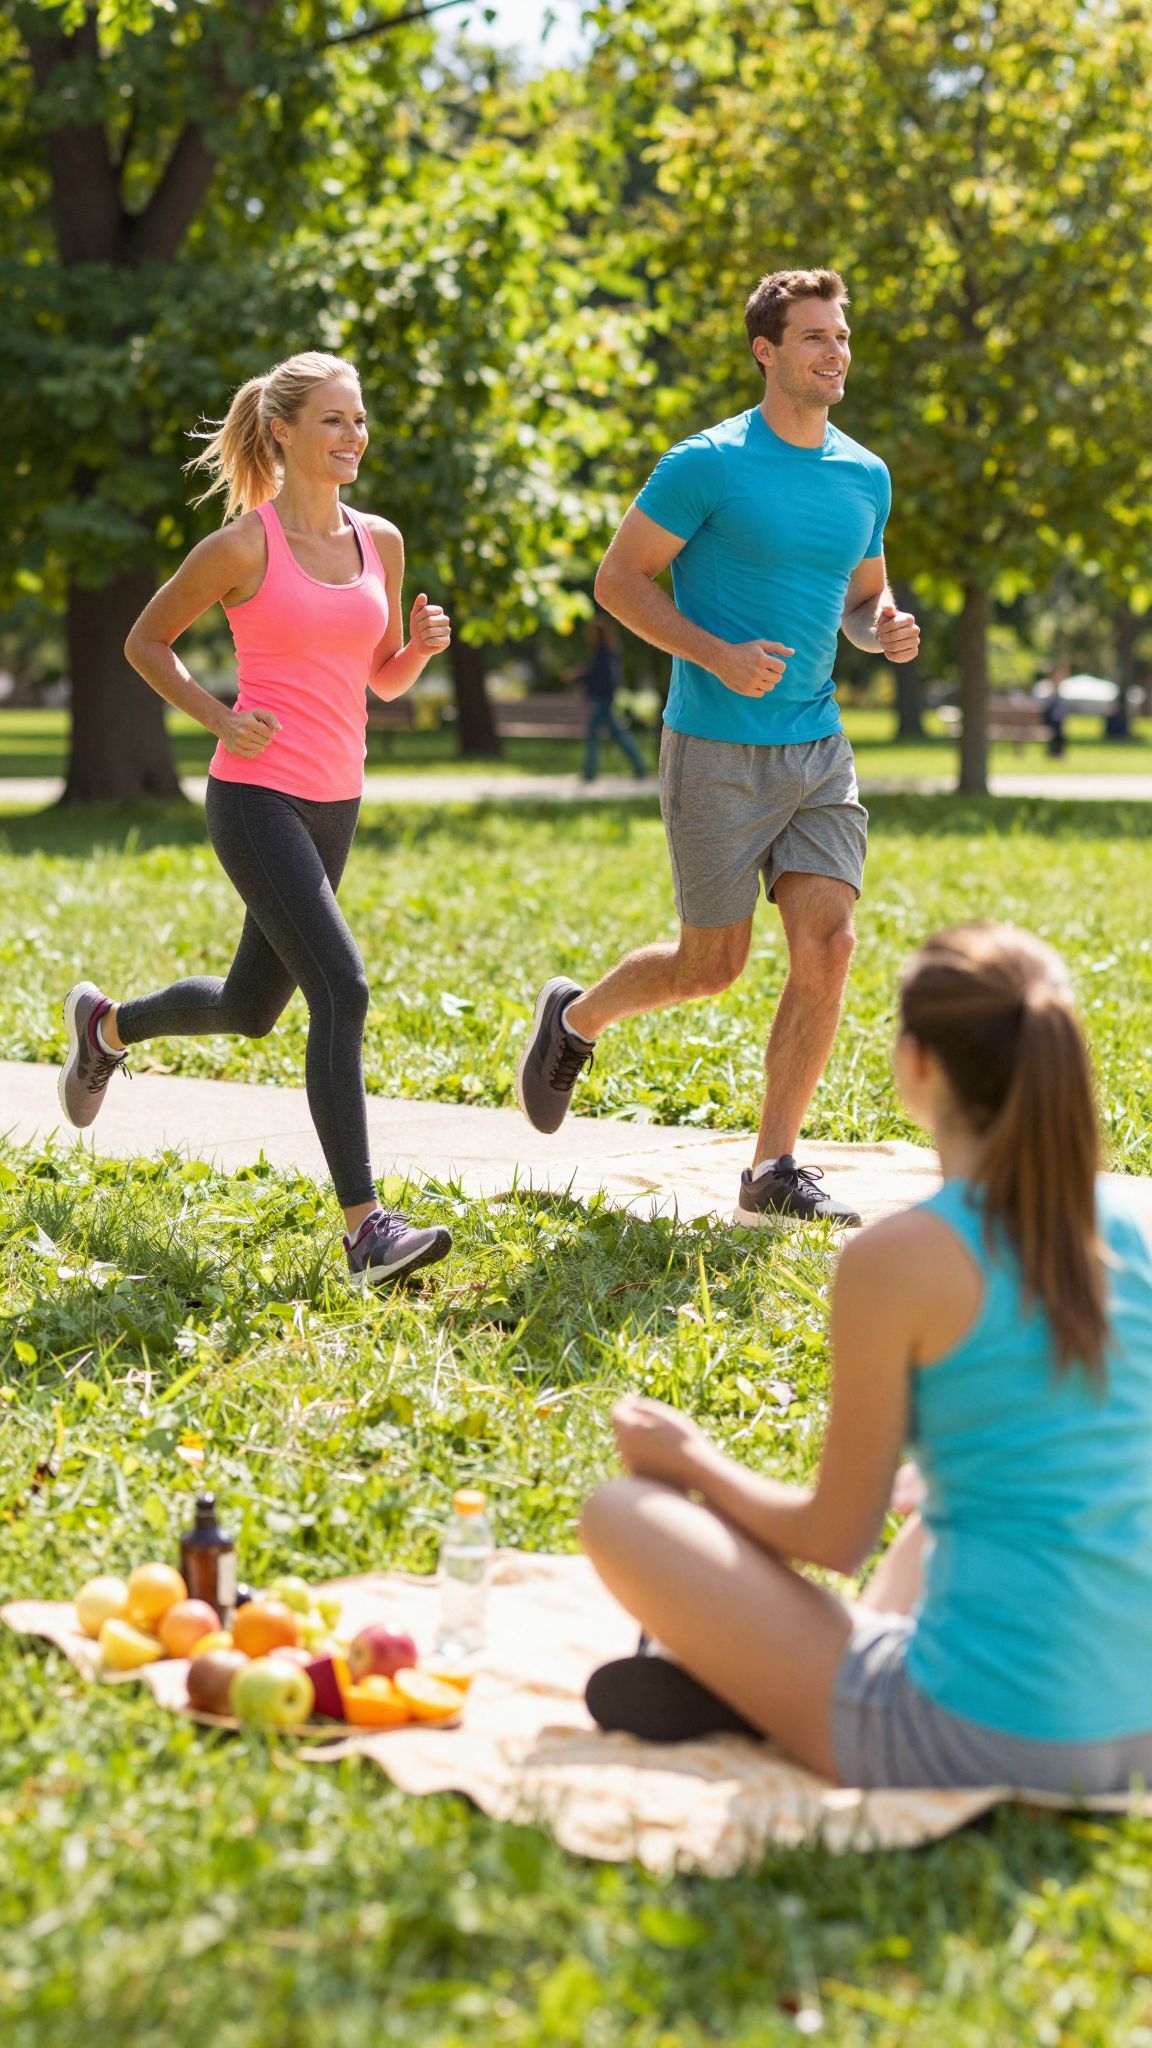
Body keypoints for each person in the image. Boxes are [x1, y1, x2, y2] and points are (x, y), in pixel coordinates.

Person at [580, 924, 1152, 1793]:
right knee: (930, 1513)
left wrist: (690, 1461)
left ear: (916, 1063)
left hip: (979, 1735)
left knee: (621, 1513)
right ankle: (779, 1675)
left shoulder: (898, 1257)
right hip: (1134, 1727)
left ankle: (766, 1685)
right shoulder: (1125, 1231)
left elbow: (834, 1537)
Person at [516, 269, 920, 1227]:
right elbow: (620, 582)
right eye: (814, 337)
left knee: (830, 941)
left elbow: (862, 602)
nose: (835, 353)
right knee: (712, 966)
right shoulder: (705, 464)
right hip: (714, 746)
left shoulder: (864, 475)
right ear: (766, 351)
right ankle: (576, 1019)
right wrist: (715, 653)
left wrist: (885, 627)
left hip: (817, 746)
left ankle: (772, 1167)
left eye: (842, 336)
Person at [57, 350, 453, 1288]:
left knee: (250, 1007)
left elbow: (379, 676)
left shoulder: (379, 541)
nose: (354, 437)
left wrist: (422, 651)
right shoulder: (244, 546)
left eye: (359, 419)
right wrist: (220, 716)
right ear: (282, 430)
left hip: (335, 799)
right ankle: (366, 1230)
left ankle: (106, 1030)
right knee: (342, 989)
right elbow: (144, 641)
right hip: (254, 794)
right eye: (333, 421)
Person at [579, 615, 647, 782]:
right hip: (606, 699)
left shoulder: (604, 653)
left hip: (604, 699)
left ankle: (589, 773)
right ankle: (639, 768)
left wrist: (579, 676)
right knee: (618, 735)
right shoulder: (606, 652)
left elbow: (601, 677)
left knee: (593, 732)